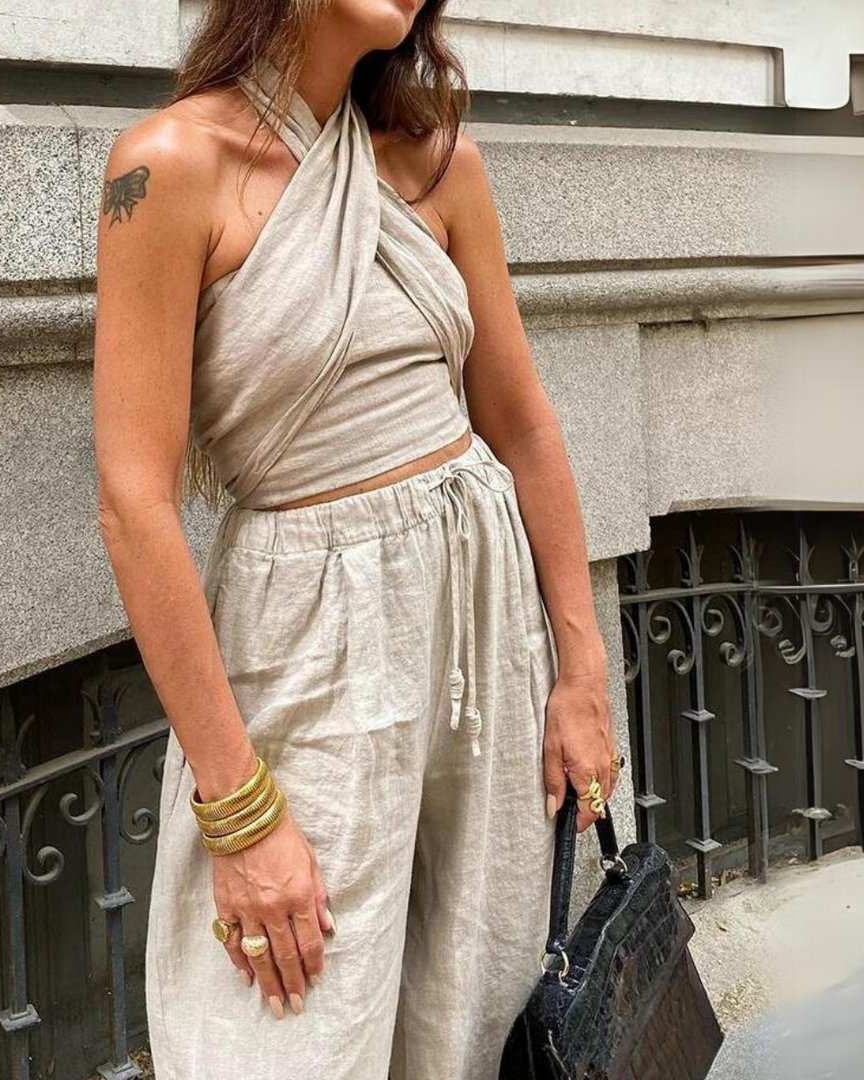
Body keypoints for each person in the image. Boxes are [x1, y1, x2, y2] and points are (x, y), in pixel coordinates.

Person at [93, 2, 619, 1078]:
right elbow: (133, 501)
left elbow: (521, 423)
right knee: (289, 1026)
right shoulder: (166, 168)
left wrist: (583, 671)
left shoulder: (440, 164)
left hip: (483, 629)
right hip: (312, 638)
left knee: (477, 996)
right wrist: (236, 815)